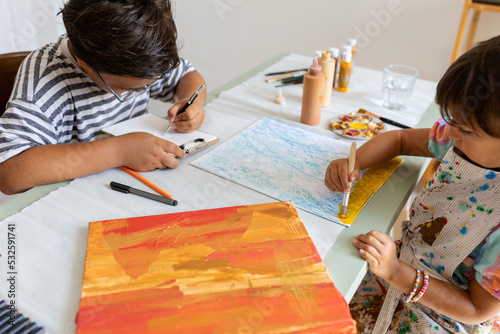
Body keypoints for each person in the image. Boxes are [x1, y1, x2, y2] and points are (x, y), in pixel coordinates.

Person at [325, 35, 500, 333]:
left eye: (467, 129)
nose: (451, 133)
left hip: (442, 315)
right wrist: (355, 162)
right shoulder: (457, 140)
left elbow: (475, 311)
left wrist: (395, 271)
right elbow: (400, 138)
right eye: (453, 120)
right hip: (394, 268)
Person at [0, 0, 206, 195]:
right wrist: (120, 151)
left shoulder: (140, 57)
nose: (142, 91)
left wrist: (192, 103)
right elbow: (9, 174)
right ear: (84, 61)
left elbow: (188, 77)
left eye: (149, 85)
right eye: (127, 88)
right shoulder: (43, 84)